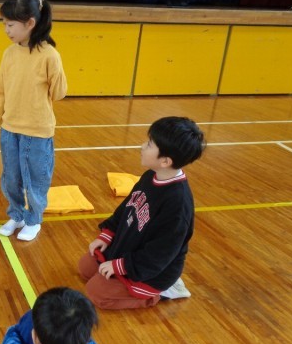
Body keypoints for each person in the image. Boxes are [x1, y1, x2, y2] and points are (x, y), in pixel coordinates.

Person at [78, 116, 206, 310]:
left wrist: (120, 266)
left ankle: (164, 291)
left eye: (149, 144)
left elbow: (159, 254)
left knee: (97, 293)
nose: (142, 146)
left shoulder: (178, 204)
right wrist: (107, 235)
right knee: (85, 268)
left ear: (165, 161)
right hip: (129, 248)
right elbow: (126, 208)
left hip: (153, 269)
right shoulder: (150, 175)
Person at [0, 0, 67, 241]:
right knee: (11, 179)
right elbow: (0, 90)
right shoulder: (9, 53)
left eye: (10, 24)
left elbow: (59, 93)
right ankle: (17, 214)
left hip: (37, 132)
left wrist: (55, 66)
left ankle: (33, 220)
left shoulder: (49, 55)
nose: (6, 30)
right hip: (10, 129)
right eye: (4, 24)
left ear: (30, 23)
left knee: (36, 180)